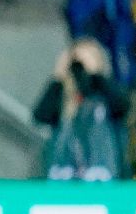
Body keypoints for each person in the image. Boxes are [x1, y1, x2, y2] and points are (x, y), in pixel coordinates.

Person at [33, 38, 129, 180]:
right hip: (64, 180)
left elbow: (122, 106)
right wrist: (58, 77)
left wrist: (95, 74)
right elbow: (40, 116)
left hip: (103, 179)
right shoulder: (62, 99)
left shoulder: (105, 96)